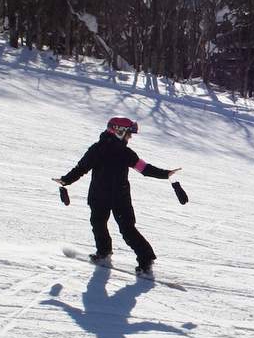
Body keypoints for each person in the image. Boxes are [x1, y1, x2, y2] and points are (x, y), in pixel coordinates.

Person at [55, 117, 180, 276]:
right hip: (101, 196)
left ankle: (146, 259)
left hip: (118, 197)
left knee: (127, 229)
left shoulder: (125, 152)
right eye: (129, 133)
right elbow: (81, 168)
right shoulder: (98, 149)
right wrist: (66, 180)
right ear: (118, 131)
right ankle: (104, 252)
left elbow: (144, 169)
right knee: (98, 223)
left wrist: (165, 174)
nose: (130, 137)